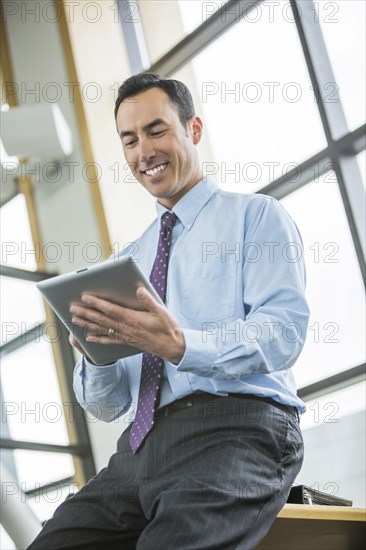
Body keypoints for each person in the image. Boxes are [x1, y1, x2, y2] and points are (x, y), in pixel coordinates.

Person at [29, 73, 309, 549]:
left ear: (193, 130)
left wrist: (181, 344)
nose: (144, 152)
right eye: (130, 140)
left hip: (236, 429)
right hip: (137, 451)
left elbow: (282, 334)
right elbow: (108, 405)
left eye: (157, 131)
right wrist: (97, 356)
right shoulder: (127, 263)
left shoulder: (255, 216)